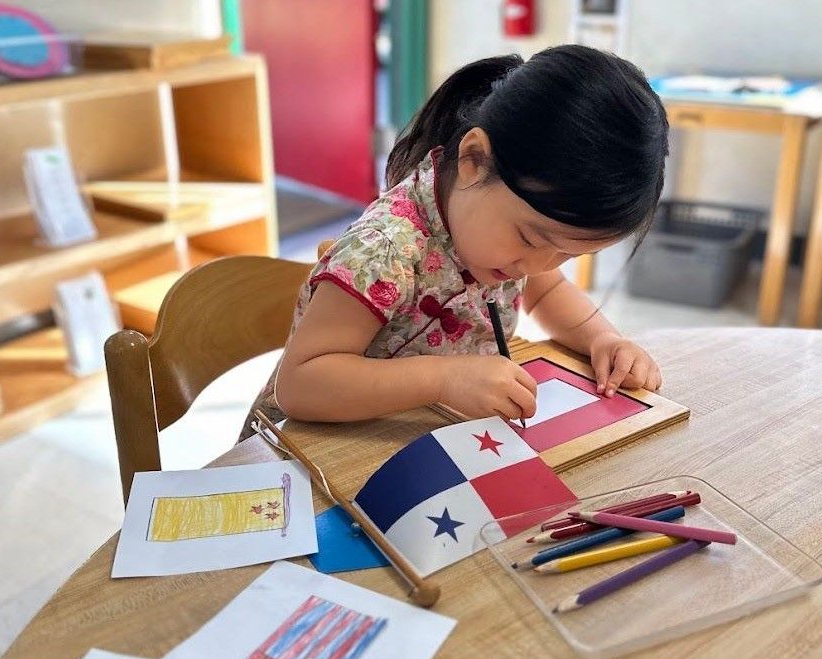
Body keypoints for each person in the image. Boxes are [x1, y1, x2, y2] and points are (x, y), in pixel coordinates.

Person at [244, 45, 669, 436]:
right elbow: (301, 385)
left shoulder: (503, 242)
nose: (539, 265)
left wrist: (603, 340)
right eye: (532, 237)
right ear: (472, 159)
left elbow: (548, 289)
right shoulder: (386, 250)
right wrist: (443, 378)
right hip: (309, 449)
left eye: (570, 253)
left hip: (416, 434)